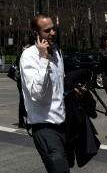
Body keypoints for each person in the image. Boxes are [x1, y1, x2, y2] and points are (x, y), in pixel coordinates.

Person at [20, 13, 70, 173]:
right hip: (44, 128)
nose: (53, 33)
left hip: (62, 124)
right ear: (36, 34)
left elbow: (58, 89)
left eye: (53, 29)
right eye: (47, 30)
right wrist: (43, 58)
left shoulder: (57, 52)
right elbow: (36, 93)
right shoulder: (28, 56)